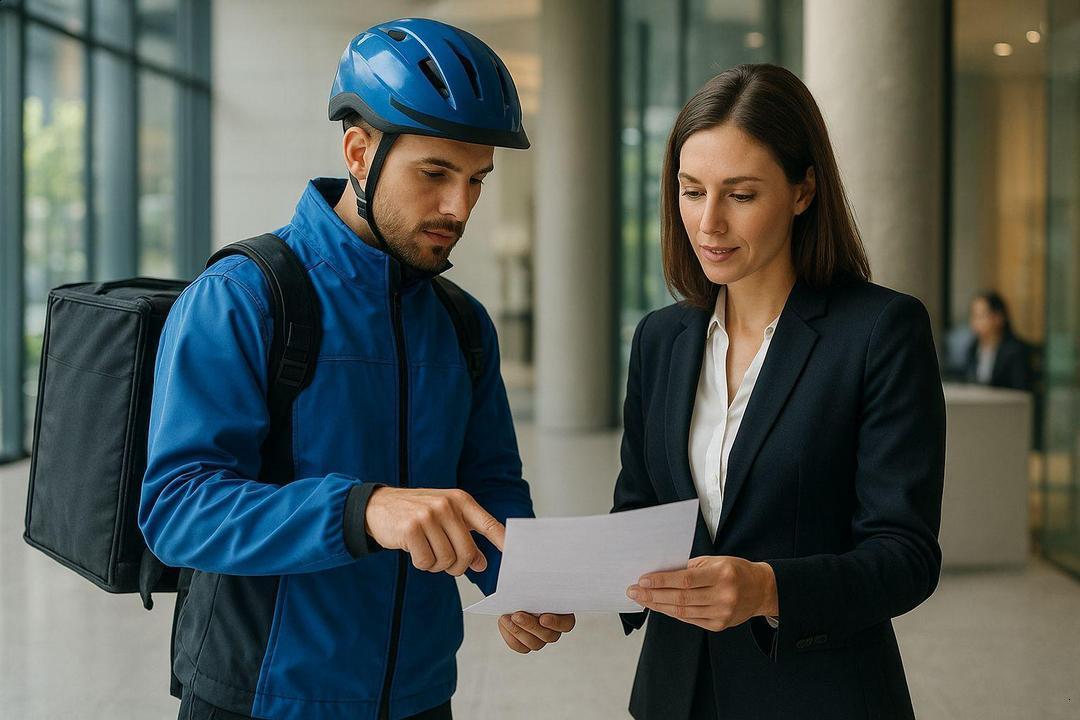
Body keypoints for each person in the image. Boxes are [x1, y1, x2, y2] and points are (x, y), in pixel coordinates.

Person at [140, 19, 573, 720]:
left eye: (476, 181)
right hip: (261, 700)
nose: (458, 208)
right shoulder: (243, 298)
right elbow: (177, 507)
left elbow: (490, 481)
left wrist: (515, 576)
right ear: (359, 152)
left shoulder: (463, 324)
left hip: (420, 698)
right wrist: (364, 508)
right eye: (434, 174)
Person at [612, 64, 946, 719]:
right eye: (690, 190)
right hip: (674, 696)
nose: (708, 224)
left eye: (740, 195)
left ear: (802, 191)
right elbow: (639, 517)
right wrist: (561, 588)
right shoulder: (660, 339)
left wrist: (768, 588)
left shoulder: (880, 332)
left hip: (818, 695)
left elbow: (905, 555)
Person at [965, 290, 1032, 391]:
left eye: (981, 316)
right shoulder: (972, 348)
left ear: (998, 318)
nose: (975, 322)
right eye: (974, 316)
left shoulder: (1015, 351)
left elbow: (1020, 391)